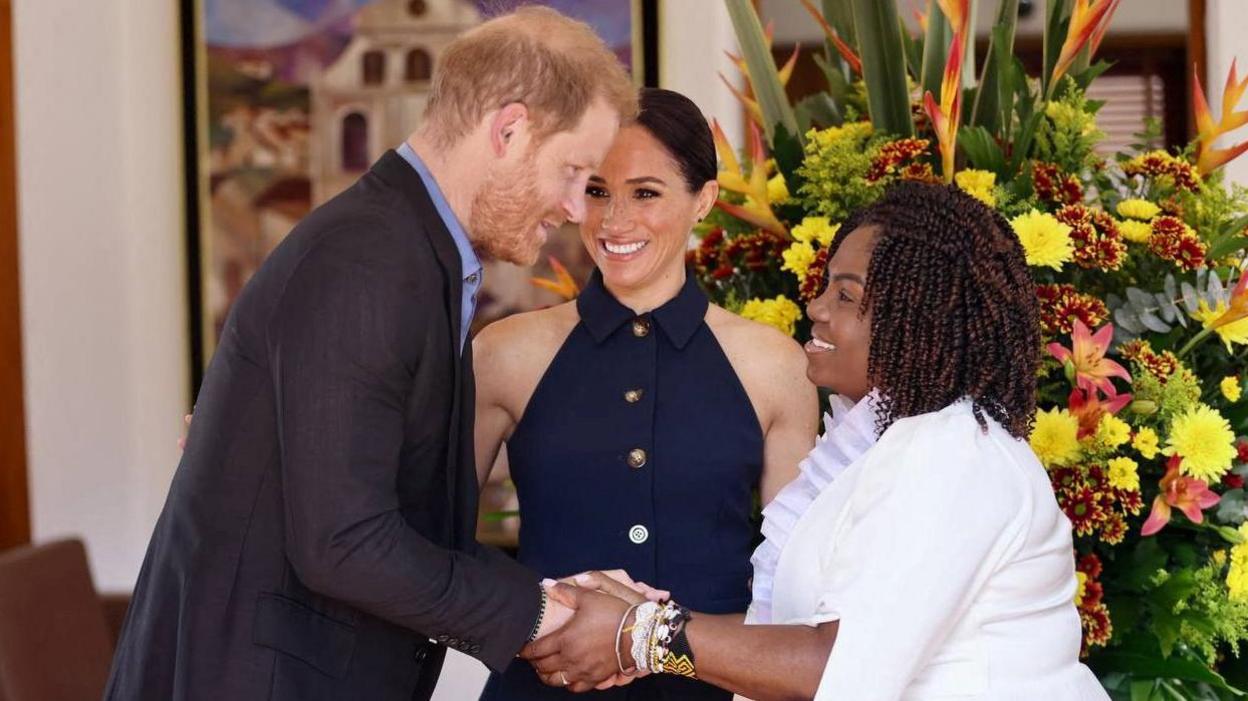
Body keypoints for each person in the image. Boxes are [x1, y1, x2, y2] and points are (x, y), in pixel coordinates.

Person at [104, 8, 638, 701]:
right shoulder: (368, 260)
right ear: (509, 131)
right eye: (573, 172)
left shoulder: (410, 251)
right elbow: (344, 542)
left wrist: (549, 598)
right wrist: (540, 614)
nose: (574, 207)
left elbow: (388, 513)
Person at [523, 182, 1110, 700]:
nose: (817, 309)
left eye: (847, 297)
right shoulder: (897, 443)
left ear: (920, 317)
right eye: (826, 287)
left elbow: (834, 668)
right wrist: (641, 621)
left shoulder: (950, 452)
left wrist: (642, 635)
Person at [474, 88, 818, 700]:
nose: (614, 221)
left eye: (646, 193)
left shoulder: (774, 365)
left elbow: (793, 587)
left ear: (704, 200)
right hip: (541, 685)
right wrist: (536, 623)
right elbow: (429, 547)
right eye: (598, 191)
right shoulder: (505, 354)